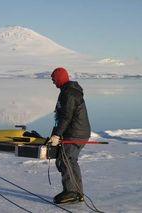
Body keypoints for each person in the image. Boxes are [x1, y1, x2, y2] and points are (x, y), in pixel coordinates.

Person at [49, 67, 91, 204]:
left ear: (60, 78)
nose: (53, 82)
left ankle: (71, 192)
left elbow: (66, 117)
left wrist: (56, 135)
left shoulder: (69, 93)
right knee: (70, 160)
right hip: (77, 132)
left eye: (54, 79)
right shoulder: (68, 91)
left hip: (75, 133)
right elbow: (61, 116)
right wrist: (56, 133)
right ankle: (76, 192)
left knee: (65, 160)